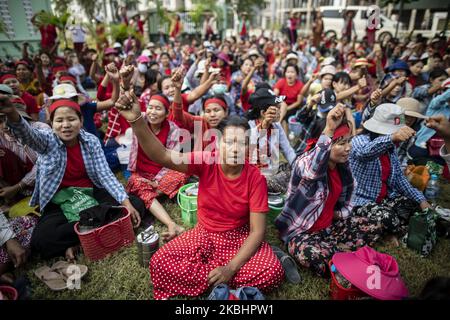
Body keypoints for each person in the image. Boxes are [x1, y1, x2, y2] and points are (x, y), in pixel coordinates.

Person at [114, 81, 285, 299]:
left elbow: (257, 232)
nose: (235, 148)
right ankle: (218, 283)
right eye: (229, 142)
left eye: (242, 143)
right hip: (204, 233)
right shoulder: (206, 161)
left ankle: (216, 280)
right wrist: (136, 120)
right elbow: (163, 156)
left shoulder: (255, 178)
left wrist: (230, 267)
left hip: (238, 238)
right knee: (159, 262)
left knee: (272, 271)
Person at [0, 94, 145, 261]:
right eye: (59, 121)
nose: (66, 125)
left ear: (81, 121)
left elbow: (105, 175)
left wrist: (126, 204)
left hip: (91, 195)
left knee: (135, 204)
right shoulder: (46, 141)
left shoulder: (90, 141)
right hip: (59, 204)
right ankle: (102, 228)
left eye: (71, 119)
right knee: (43, 239)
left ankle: (81, 237)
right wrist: (11, 113)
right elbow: (27, 134)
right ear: (51, 124)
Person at [275, 105, 383, 276]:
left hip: (330, 228)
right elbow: (313, 169)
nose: (348, 148)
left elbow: (349, 199)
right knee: (312, 255)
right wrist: (329, 129)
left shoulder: (343, 168)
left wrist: (339, 215)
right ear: (323, 142)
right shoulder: (305, 163)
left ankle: (337, 254)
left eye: (349, 141)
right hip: (303, 233)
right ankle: (341, 255)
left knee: (374, 225)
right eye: (341, 143)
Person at [349, 104, 431, 238]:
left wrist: (422, 200)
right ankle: (392, 229)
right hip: (361, 201)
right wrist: (392, 138)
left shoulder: (390, 150)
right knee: (388, 218)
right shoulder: (359, 141)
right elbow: (365, 153)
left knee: (413, 205)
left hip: (384, 199)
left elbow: (399, 179)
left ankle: (389, 227)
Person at [127, 93, 188, 241]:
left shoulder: (173, 130)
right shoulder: (139, 121)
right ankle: (170, 223)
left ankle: (151, 195)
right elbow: (128, 103)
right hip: (141, 173)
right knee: (137, 182)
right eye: (150, 107)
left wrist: (157, 180)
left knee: (183, 173)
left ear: (167, 113)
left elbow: (172, 159)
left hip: (163, 172)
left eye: (158, 108)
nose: (153, 112)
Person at [247, 84, 296, 194]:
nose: (280, 112)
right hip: (254, 174)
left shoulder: (276, 126)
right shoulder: (248, 126)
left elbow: (288, 151)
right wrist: (263, 126)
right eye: (276, 109)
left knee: (297, 169)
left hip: (271, 170)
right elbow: (251, 150)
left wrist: (299, 169)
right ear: (263, 113)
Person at [273, 64, 304, 133]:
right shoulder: (281, 82)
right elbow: (275, 96)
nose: (289, 74)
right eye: (288, 72)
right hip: (279, 105)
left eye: (292, 72)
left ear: (297, 74)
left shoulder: (300, 85)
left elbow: (298, 102)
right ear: (285, 73)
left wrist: (286, 108)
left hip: (293, 107)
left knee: (285, 118)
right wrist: (281, 107)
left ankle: (283, 136)